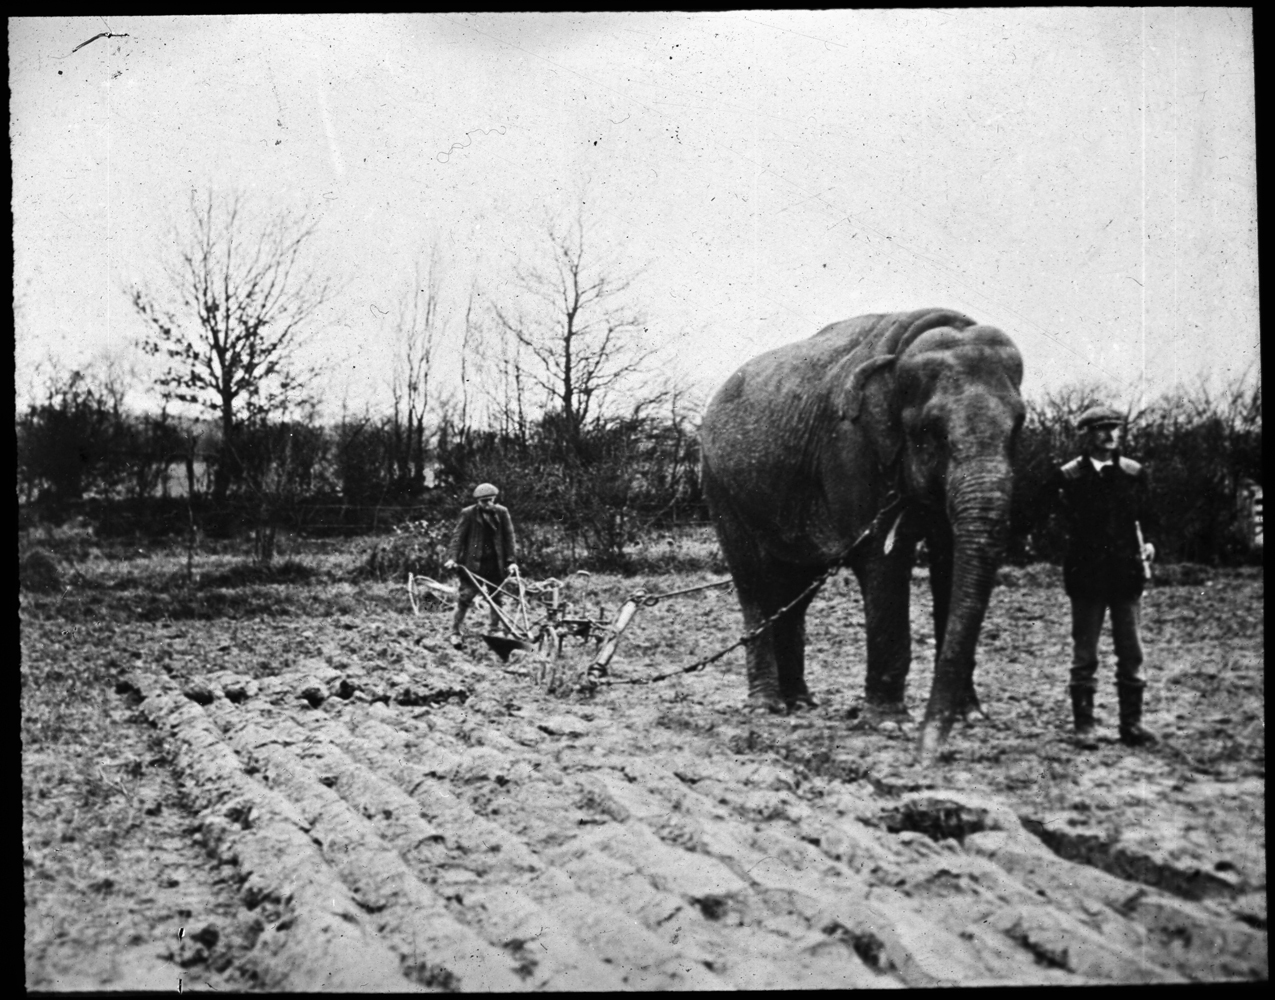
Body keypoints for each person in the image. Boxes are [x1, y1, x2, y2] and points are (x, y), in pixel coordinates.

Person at [1031, 404, 1159, 747]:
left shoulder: (1134, 473)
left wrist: (1150, 545)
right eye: (1101, 428)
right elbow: (1043, 519)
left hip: (1126, 576)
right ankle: (1084, 727)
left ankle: (1131, 726)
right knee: (1084, 655)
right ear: (1086, 435)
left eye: (1115, 428)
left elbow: (1149, 518)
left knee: (1131, 653)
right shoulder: (1068, 477)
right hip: (1086, 577)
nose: (1110, 435)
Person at [444, 483, 519, 649]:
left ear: (495, 499)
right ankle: (455, 632)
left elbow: (509, 538)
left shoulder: (502, 512)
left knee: (497, 599)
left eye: (490, 500)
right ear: (478, 501)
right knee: (465, 598)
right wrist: (452, 558)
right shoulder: (468, 514)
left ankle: (494, 629)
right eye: (483, 501)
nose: (487, 504)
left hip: (495, 563)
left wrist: (511, 561)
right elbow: (457, 538)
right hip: (473, 565)